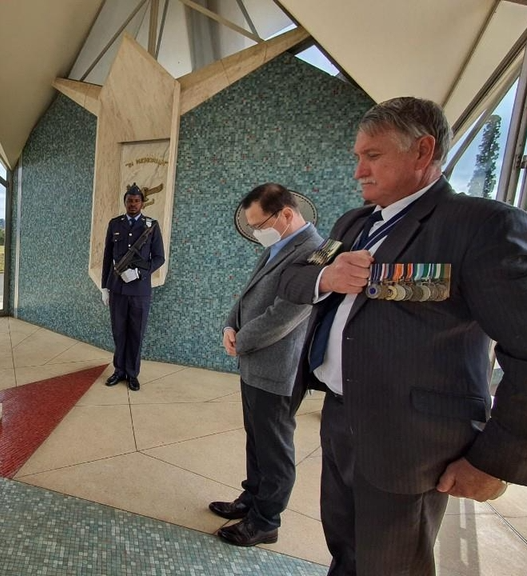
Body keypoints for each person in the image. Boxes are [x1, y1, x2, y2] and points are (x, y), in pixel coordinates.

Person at [278, 97, 527, 575]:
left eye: (373, 156)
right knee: (346, 550)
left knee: (392, 565)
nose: (359, 171)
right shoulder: (355, 224)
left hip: (412, 443)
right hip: (341, 419)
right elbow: (293, 277)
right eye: (358, 157)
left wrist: (496, 461)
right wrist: (328, 276)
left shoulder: (480, 226)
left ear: (422, 151)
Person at [211, 183, 323, 547]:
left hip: (279, 368)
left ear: (286, 214)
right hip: (255, 363)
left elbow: (284, 315)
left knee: (274, 446)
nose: (257, 232)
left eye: (259, 225)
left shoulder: (314, 253)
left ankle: (265, 521)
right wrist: (230, 325)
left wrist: (241, 340)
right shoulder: (281, 245)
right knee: (256, 437)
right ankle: (252, 498)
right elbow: (249, 292)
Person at [101, 183, 165, 391]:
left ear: (142, 204)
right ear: (125, 202)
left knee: (136, 333)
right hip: (117, 289)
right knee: (119, 332)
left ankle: (132, 373)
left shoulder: (151, 226)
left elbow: (159, 258)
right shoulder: (115, 224)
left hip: (139, 292)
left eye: (137, 201)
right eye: (130, 200)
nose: (133, 204)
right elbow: (107, 257)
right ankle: (119, 370)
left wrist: (139, 273)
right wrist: (105, 287)